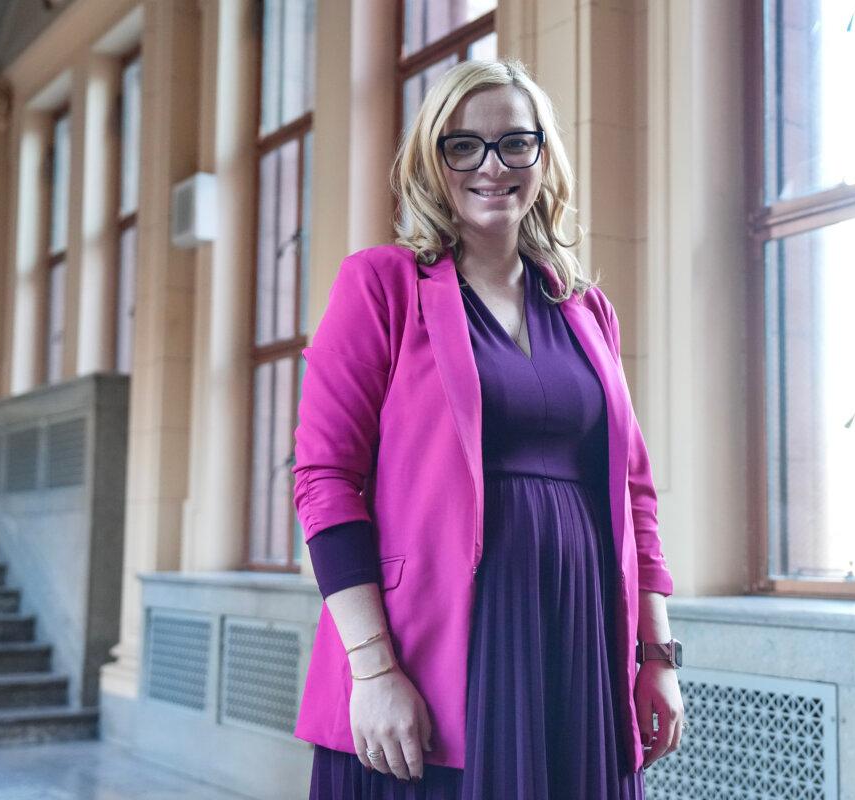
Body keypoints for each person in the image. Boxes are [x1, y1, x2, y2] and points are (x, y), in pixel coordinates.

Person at [292, 57, 684, 800]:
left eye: (514, 143)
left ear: (543, 156)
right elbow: (324, 480)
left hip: (578, 642)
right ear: (431, 161)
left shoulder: (587, 310)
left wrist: (656, 655)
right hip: (427, 646)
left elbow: (637, 491)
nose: (491, 166)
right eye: (463, 145)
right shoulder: (381, 283)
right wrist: (373, 669)